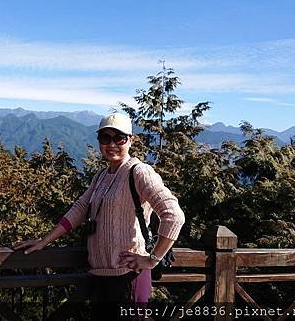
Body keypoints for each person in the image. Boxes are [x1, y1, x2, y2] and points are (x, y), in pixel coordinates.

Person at [13, 113, 185, 319]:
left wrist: (152, 260)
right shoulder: (101, 176)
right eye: (105, 138)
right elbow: (79, 210)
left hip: (129, 277)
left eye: (118, 138)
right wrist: (44, 241)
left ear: (130, 140)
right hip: (100, 277)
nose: (111, 144)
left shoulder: (140, 172)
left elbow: (174, 215)